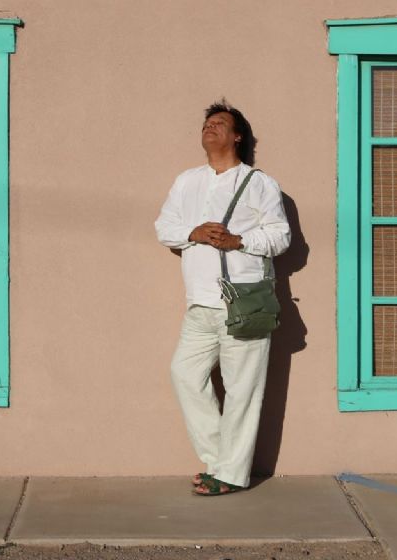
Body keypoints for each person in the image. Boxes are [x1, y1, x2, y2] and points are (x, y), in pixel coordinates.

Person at [155, 100, 291, 495]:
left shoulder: (258, 183)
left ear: (237, 136)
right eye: (206, 123)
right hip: (199, 304)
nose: (210, 127)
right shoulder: (187, 181)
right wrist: (193, 233)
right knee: (184, 374)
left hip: (242, 303)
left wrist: (239, 240)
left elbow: (281, 237)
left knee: (242, 390)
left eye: (220, 123)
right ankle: (221, 461)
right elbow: (164, 226)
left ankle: (230, 474)